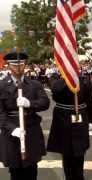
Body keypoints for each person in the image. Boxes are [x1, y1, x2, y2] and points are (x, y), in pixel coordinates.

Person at [0, 52, 50, 180]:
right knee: (15, 170)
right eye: (14, 65)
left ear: (25, 65)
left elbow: (45, 103)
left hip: (31, 130)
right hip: (12, 133)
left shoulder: (34, 84)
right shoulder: (1, 86)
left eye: (21, 65)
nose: (18, 68)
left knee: (31, 170)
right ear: (8, 66)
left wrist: (30, 103)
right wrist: (12, 129)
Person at [46, 72, 92, 180]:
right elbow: (55, 89)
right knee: (67, 152)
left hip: (80, 117)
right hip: (63, 118)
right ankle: (69, 177)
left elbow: (91, 101)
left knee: (80, 151)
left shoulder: (84, 80)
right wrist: (68, 78)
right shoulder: (56, 79)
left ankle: (79, 176)